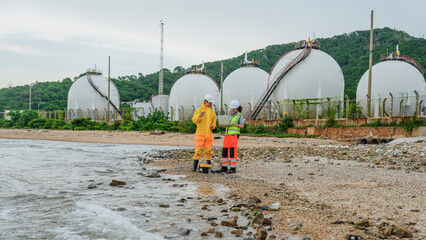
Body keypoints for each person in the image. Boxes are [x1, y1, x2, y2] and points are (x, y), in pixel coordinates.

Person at [191, 94, 217, 172]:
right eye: (209, 103)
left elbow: (214, 123)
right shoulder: (199, 110)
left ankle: (207, 167)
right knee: (198, 150)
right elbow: (194, 121)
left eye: (211, 103)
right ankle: (194, 167)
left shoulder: (212, 112)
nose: (211, 104)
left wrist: (213, 126)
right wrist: (199, 116)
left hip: (209, 135)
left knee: (208, 151)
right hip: (200, 134)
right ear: (205, 102)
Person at [220, 100, 244, 173]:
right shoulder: (230, 115)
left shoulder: (240, 115)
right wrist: (221, 125)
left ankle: (233, 168)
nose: (233, 110)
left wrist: (234, 124)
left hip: (234, 135)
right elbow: (226, 125)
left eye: (234, 109)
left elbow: (242, 126)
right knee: (225, 150)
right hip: (227, 135)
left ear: (237, 108)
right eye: (232, 109)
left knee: (232, 150)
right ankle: (224, 167)